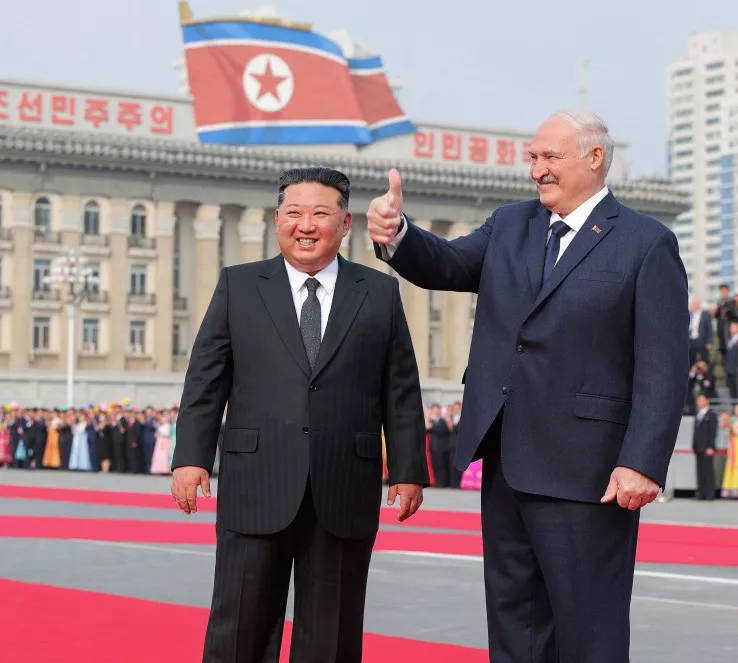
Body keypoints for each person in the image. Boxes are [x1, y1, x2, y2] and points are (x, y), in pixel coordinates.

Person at [368, 108, 688, 662]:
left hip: (589, 472)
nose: (537, 169)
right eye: (533, 157)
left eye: (550, 157)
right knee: (516, 622)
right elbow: (446, 263)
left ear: (594, 158)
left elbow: (664, 364)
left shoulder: (646, 242)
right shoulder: (509, 225)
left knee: (589, 628)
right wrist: (398, 233)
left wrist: (641, 462)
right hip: (507, 460)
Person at [171, 167, 428, 663]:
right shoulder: (239, 285)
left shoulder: (378, 292)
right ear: (277, 220)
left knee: (332, 636)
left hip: (343, 484)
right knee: (239, 626)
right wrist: (190, 458)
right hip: (256, 481)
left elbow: (399, 387)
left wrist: (408, 468)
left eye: (320, 214)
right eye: (294, 213)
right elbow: (206, 378)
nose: (305, 225)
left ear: (346, 223)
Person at [692, 393, 717, 500]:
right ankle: (701, 493)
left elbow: (713, 432)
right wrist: (694, 445)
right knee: (700, 471)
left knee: (708, 471)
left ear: (707, 401)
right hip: (699, 448)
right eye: (698, 400)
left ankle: (710, 494)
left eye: (701, 400)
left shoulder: (711, 414)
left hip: (707, 448)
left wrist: (711, 447)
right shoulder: (698, 414)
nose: (699, 402)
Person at [719, 404, 738, 498]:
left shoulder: (733, 422)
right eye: (736, 409)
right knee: (730, 465)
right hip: (732, 446)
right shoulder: (733, 420)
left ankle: (735, 488)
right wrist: (726, 421)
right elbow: (723, 428)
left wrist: (731, 426)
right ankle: (728, 488)